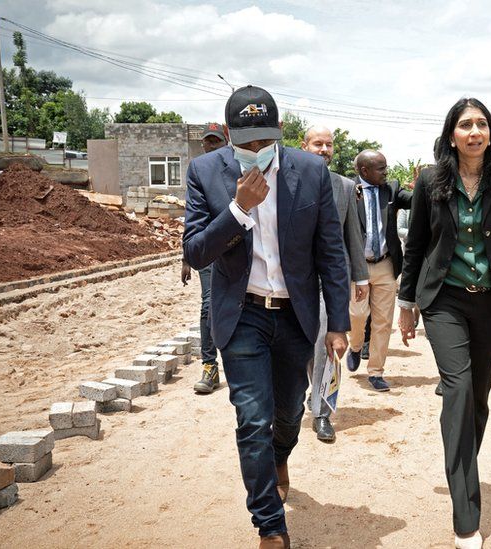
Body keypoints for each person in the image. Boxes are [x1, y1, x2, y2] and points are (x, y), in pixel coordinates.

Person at [183, 85, 351, 549]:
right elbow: (195, 252)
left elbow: (331, 252)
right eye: (247, 142)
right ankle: (270, 525)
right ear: (231, 136)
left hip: (295, 315)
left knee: (288, 413)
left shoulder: (310, 171)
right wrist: (239, 208)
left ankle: (281, 455)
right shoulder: (205, 172)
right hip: (243, 316)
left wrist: (338, 322)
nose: (257, 151)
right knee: (251, 419)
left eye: (265, 140)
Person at [397, 98, 491, 549]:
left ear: (490, 133)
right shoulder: (429, 180)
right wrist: (406, 301)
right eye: (465, 125)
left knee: (477, 401)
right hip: (444, 301)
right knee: (456, 390)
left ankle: (461, 466)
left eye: (482, 124)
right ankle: (466, 517)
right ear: (451, 134)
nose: (474, 132)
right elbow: (417, 243)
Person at [300, 125, 369, 442]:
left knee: (329, 344)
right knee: (301, 344)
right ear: (304, 146)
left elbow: (352, 234)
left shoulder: (344, 186)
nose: (324, 149)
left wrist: (360, 276)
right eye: (318, 144)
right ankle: (304, 395)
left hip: (332, 280)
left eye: (329, 145)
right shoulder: (290, 182)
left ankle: (323, 412)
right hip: (296, 280)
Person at [346, 150, 412, 392]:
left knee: (383, 322)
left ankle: (376, 372)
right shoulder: (348, 189)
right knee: (357, 315)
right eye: (381, 168)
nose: (386, 172)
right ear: (364, 171)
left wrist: (424, 187)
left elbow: (414, 200)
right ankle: (354, 346)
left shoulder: (391, 189)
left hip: (385, 264)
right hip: (358, 266)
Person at [181, 122, 228, 394]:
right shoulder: (199, 172)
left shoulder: (234, 169)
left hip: (236, 250)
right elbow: (192, 220)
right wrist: (186, 259)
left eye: (216, 141)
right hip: (209, 252)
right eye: (207, 142)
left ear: (226, 143)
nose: (210, 146)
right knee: (208, 305)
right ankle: (210, 367)